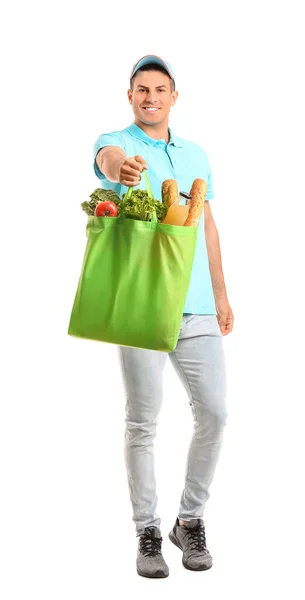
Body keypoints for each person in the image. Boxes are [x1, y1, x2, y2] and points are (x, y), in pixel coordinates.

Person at [93, 55, 234, 579]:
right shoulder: (119, 142)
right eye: (141, 89)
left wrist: (220, 293)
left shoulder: (196, 153)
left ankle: (189, 519)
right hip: (140, 302)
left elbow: (209, 226)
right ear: (130, 96)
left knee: (215, 414)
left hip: (195, 304)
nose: (150, 97)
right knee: (143, 421)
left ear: (175, 96)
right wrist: (120, 170)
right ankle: (147, 531)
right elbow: (107, 160)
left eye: (160, 89)